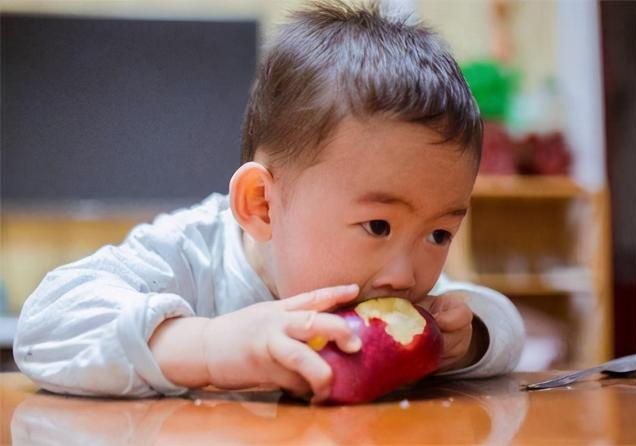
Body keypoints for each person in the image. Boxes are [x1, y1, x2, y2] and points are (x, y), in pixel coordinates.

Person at [13, 0, 524, 402]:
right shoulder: (190, 256)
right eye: (377, 226)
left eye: (439, 234)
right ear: (261, 205)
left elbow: (503, 325)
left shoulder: (394, 288)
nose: (406, 275)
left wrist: (468, 341)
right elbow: (43, 328)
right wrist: (210, 348)